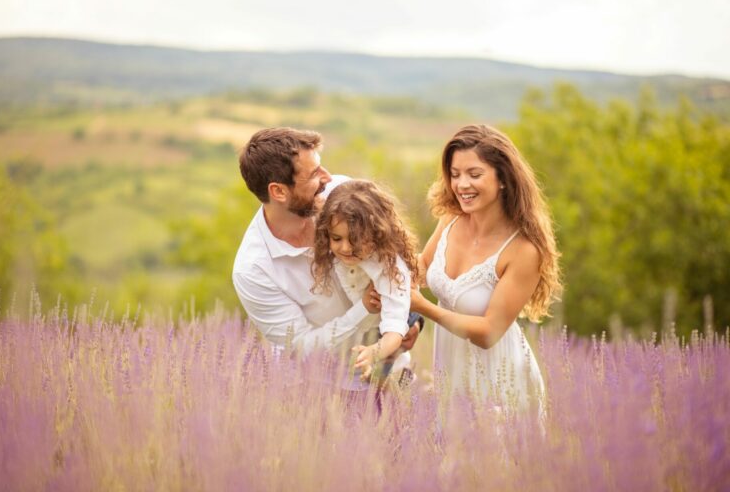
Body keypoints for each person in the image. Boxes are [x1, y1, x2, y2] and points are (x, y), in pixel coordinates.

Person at [232, 127, 420, 366]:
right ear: (278, 191)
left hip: (391, 366)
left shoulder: (343, 195)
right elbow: (301, 346)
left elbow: (393, 254)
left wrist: (409, 318)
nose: (328, 178)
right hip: (319, 388)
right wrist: (365, 309)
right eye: (313, 174)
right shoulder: (254, 270)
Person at [410, 124, 561, 411]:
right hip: (451, 376)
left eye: (474, 174)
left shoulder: (523, 251)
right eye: (455, 175)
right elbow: (422, 268)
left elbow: (489, 333)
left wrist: (422, 307)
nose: (461, 185)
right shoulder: (450, 220)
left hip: (501, 383)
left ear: (503, 178)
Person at [311, 179, 419, 381]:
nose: (345, 248)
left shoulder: (388, 267)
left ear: (378, 233)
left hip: (388, 336)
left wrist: (375, 351)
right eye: (336, 239)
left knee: (385, 387)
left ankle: (399, 381)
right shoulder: (330, 250)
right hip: (359, 336)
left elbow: (395, 327)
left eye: (356, 240)